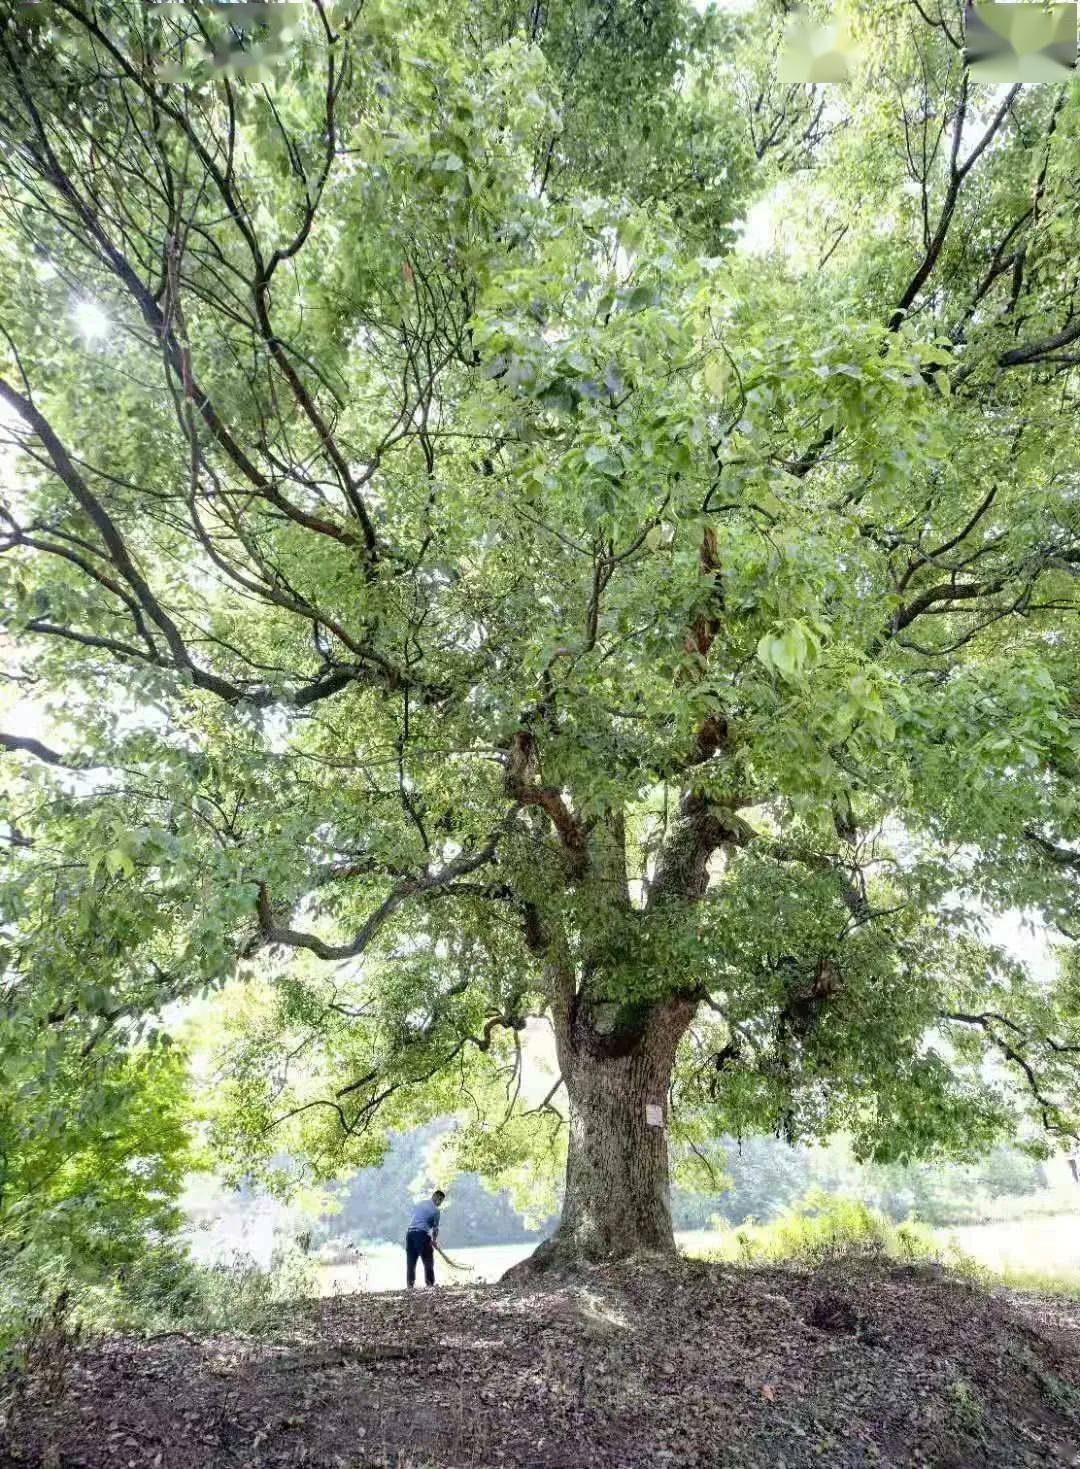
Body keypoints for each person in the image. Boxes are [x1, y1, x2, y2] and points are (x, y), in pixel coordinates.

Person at [405, 1189, 445, 1289]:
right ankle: (430, 1284)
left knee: (411, 1261)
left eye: (442, 1201)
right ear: (435, 1197)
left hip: (410, 1234)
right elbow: (435, 1229)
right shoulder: (436, 1211)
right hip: (421, 1234)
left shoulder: (421, 1203)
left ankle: (410, 1286)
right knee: (428, 1260)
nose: (440, 1203)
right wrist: (434, 1240)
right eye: (440, 1200)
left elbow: (418, 1217)